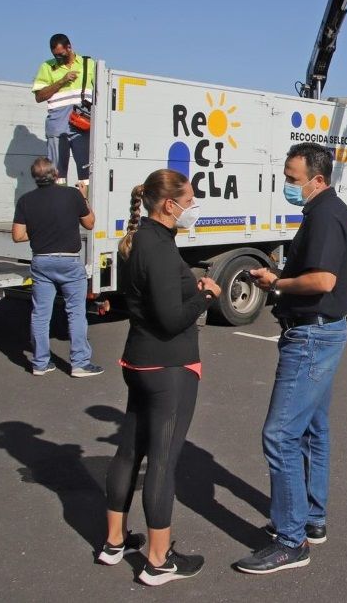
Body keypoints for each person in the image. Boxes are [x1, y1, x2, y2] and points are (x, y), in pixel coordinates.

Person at [233, 142, 347, 575]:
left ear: (317, 180)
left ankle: (291, 541)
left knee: (281, 435)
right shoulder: (328, 211)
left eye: (292, 178)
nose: (286, 183)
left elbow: (324, 279)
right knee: (312, 430)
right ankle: (311, 519)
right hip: (321, 334)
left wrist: (280, 283)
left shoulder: (325, 214)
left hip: (312, 336)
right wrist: (281, 277)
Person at [103, 169, 221, 586]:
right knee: (163, 461)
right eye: (189, 201)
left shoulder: (141, 241)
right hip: (168, 366)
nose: (193, 209)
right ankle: (158, 560)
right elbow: (171, 319)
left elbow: (147, 301)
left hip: (138, 362)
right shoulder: (158, 248)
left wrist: (191, 288)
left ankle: (114, 542)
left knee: (128, 451)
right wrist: (206, 295)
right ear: (169, 205)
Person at [11, 157, 103, 377]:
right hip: (69, 261)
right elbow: (90, 223)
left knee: (41, 315)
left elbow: (18, 236)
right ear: (55, 174)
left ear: (35, 177)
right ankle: (80, 363)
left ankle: (40, 363)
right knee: (76, 312)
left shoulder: (25, 200)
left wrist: (40, 232)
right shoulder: (72, 195)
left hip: (42, 261)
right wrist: (83, 197)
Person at [31, 33, 93, 191]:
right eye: (55, 55)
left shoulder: (88, 64)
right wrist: (62, 81)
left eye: (61, 54)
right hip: (57, 124)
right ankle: (58, 205)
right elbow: (39, 96)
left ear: (69, 47)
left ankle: (86, 207)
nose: (58, 58)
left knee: (87, 170)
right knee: (56, 173)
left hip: (82, 124)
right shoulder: (47, 67)